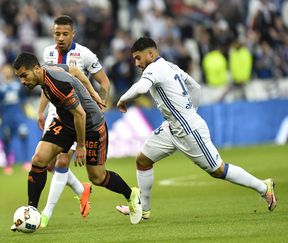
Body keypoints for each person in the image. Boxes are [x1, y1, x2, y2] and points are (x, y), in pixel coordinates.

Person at [114, 37, 277, 221]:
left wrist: (123, 99)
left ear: (150, 54)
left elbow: (141, 88)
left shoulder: (154, 68)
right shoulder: (170, 66)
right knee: (143, 160)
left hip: (189, 131)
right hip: (172, 128)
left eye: (138, 58)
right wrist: (191, 111)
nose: (136, 63)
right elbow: (196, 87)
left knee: (218, 170)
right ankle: (144, 210)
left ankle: (264, 187)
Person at [11, 52, 142, 229]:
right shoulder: (48, 70)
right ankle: (31, 211)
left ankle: (131, 194)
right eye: (19, 77)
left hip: (91, 125)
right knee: (39, 159)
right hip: (66, 121)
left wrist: (81, 146)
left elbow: (81, 115)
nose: (22, 81)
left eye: (24, 76)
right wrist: (93, 93)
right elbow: (74, 70)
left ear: (36, 69)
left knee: (97, 177)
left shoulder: (58, 85)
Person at [38, 15, 111, 228]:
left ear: (73, 34)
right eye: (57, 34)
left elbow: (104, 82)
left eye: (65, 34)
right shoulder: (48, 53)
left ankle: (46, 214)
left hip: (76, 114)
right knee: (49, 164)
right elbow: (46, 83)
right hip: (55, 112)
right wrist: (40, 111)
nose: (60, 38)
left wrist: (101, 105)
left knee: (62, 161)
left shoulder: (85, 54)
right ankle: (81, 189)